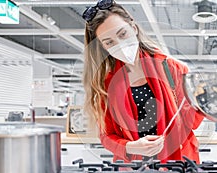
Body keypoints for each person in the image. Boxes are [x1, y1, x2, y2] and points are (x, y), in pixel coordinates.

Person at [82, 0, 204, 163]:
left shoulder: (172, 68)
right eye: (109, 42)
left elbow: (190, 122)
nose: (120, 44)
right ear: (103, 47)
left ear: (133, 28)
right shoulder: (106, 85)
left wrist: (207, 105)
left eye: (122, 34)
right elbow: (106, 135)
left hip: (177, 162)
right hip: (134, 168)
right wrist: (130, 147)